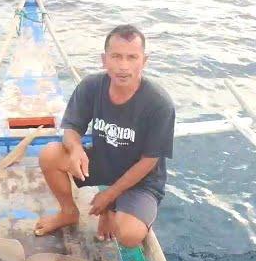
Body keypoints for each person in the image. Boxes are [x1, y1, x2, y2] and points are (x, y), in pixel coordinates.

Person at [34, 24, 175, 248]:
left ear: (144, 61)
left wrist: (109, 197)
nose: (123, 66)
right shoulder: (91, 86)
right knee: (49, 155)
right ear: (104, 59)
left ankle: (114, 209)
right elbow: (71, 128)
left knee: (128, 235)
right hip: (104, 162)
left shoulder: (159, 104)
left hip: (141, 180)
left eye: (132, 57)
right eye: (116, 56)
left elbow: (149, 161)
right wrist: (76, 149)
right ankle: (68, 213)